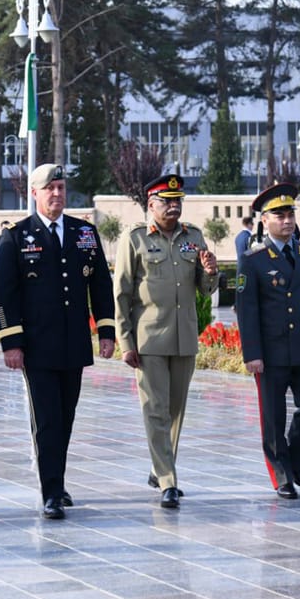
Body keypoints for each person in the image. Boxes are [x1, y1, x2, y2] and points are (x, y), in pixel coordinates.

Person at [0, 163, 115, 520]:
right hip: (37, 346)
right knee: (46, 419)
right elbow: (2, 294)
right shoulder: (17, 236)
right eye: (50, 189)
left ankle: (57, 481)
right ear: (34, 193)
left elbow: (101, 285)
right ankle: (51, 492)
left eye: (61, 187)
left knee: (67, 416)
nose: (57, 194)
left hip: (74, 342)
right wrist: (10, 342)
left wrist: (106, 331)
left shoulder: (84, 233)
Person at [114, 173, 219, 509]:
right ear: (151, 204)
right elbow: (121, 294)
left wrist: (211, 272)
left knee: (175, 411)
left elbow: (205, 290)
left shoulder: (195, 238)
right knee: (155, 411)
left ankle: (158, 468)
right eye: (167, 202)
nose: (174, 207)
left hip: (184, 336)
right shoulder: (135, 240)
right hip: (149, 339)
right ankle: (168, 482)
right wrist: (125, 342)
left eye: (177, 201)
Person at [235, 183, 300, 499]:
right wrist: (252, 353)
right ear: (264, 220)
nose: (287, 220)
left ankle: (293, 461)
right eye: (279, 215)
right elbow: (246, 310)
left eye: (290, 213)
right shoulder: (253, 260)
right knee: (273, 417)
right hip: (271, 351)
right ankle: (281, 473)